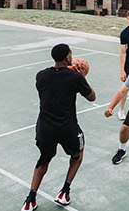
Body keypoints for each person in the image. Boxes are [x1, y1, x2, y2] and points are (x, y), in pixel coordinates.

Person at [21, 44, 96, 211]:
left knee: (44, 159)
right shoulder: (75, 78)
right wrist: (82, 77)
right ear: (68, 58)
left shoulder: (40, 76)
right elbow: (92, 97)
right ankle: (64, 191)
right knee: (78, 154)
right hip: (67, 128)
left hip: (45, 128)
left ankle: (30, 200)